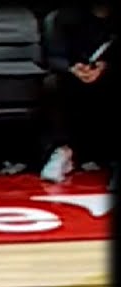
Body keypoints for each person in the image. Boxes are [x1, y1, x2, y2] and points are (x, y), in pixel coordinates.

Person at [40, 2, 116, 187]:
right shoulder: (65, 17)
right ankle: (63, 151)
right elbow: (52, 57)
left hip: (109, 77)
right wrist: (73, 69)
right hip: (72, 77)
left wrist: (105, 67)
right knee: (51, 83)